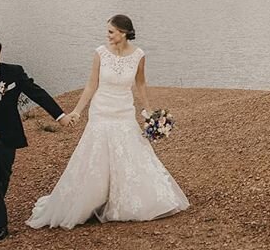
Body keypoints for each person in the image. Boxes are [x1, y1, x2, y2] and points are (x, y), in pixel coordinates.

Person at [26, 14, 189, 230]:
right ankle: (93, 198)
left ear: (123, 33)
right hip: (101, 112)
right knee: (96, 156)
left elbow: (140, 84)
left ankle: (125, 199)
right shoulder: (100, 53)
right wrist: (76, 111)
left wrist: (149, 111)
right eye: (108, 31)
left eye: (111, 31)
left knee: (130, 154)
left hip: (124, 112)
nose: (108, 35)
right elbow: (91, 85)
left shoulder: (139, 55)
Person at [0, 35, 73, 242]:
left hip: (8, 134)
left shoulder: (13, 72)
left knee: (3, 176)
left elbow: (37, 93)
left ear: (0, 53)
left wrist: (60, 116)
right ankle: (0, 224)